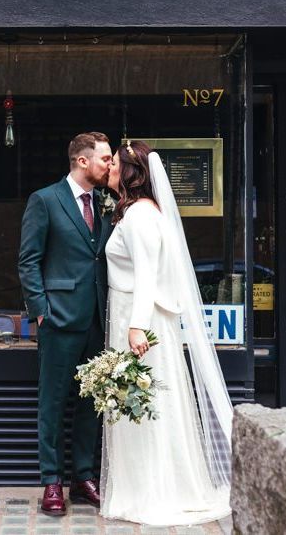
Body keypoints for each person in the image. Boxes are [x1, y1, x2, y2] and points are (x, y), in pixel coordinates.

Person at [101, 139, 232, 526]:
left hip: (140, 321)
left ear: (129, 172)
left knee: (145, 404)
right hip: (134, 316)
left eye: (114, 164)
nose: (107, 168)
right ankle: (146, 485)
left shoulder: (140, 216)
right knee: (141, 403)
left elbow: (145, 276)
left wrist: (136, 327)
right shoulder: (139, 212)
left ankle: (154, 490)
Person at [18, 132, 115, 516]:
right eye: (104, 158)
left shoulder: (106, 203)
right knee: (53, 403)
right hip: (59, 318)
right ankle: (51, 481)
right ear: (81, 161)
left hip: (97, 317)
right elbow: (29, 260)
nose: (109, 164)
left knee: (92, 402)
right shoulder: (44, 200)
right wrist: (41, 310)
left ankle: (84, 478)